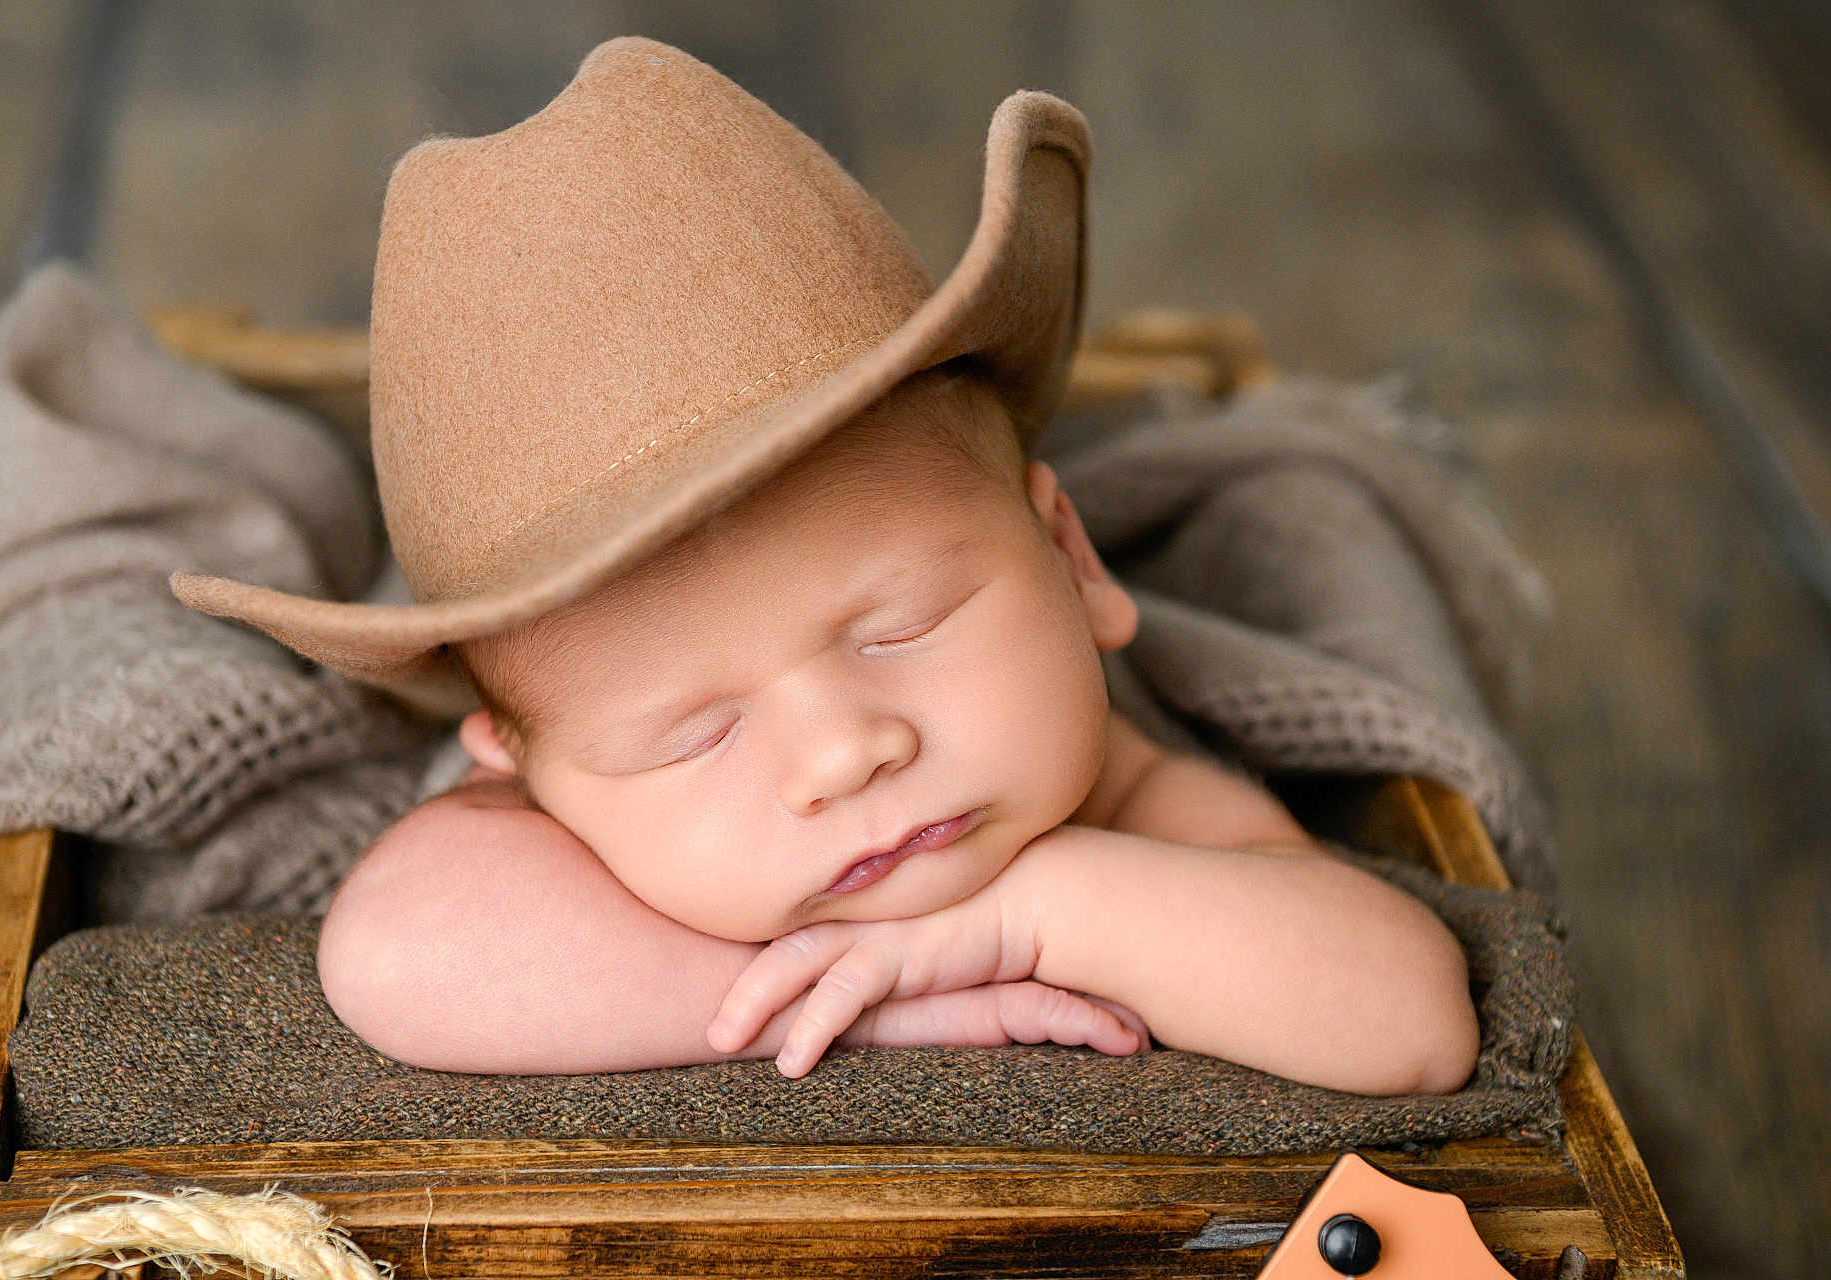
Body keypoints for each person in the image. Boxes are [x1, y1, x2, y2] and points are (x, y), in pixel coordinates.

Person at [172, 37, 1477, 1095]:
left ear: (1070, 557)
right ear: (529, 776)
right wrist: (862, 1008)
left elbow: (1410, 1022)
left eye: (903, 626)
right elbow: (393, 951)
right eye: (693, 735)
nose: (845, 752)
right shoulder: (549, 838)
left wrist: (1030, 916)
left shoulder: (1128, 802)